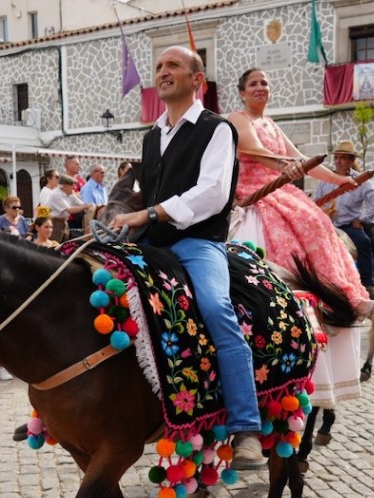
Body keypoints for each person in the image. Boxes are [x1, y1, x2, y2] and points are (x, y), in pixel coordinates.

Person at [108, 46, 264, 470]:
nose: (163, 72)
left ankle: (246, 427)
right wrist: (116, 214)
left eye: (173, 65)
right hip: (150, 243)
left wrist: (152, 212)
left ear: (198, 80)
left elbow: (214, 193)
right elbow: (147, 193)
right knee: (93, 289)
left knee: (216, 309)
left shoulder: (217, 129)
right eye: (158, 66)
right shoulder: (150, 136)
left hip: (197, 242)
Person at [227, 67, 374, 317]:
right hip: (256, 191)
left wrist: (339, 179)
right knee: (308, 220)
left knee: (319, 221)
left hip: (281, 190)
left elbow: (301, 159)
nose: (259, 88)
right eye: (253, 84)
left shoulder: (271, 124)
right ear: (242, 93)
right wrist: (287, 167)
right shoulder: (238, 118)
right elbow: (255, 150)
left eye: (264, 83)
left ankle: (348, 294)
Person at [314, 140, 374, 302]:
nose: (338, 161)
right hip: (327, 225)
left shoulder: (362, 181)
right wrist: (321, 212)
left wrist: (363, 220)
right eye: (336, 157)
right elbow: (315, 202)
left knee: (364, 242)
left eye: (343, 158)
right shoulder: (325, 179)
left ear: (351, 161)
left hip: (349, 225)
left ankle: (369, 284)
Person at [47, 175, 92, 241]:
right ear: (65, 186)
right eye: (72, 185)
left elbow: (82, 204)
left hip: (63, 222)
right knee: (54, 244)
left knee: (65, 243)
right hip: (54, 223)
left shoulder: (70, 194)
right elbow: (70, 210)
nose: (74, 188)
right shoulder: (57, 195)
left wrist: (91, 205)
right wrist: (86, 206)